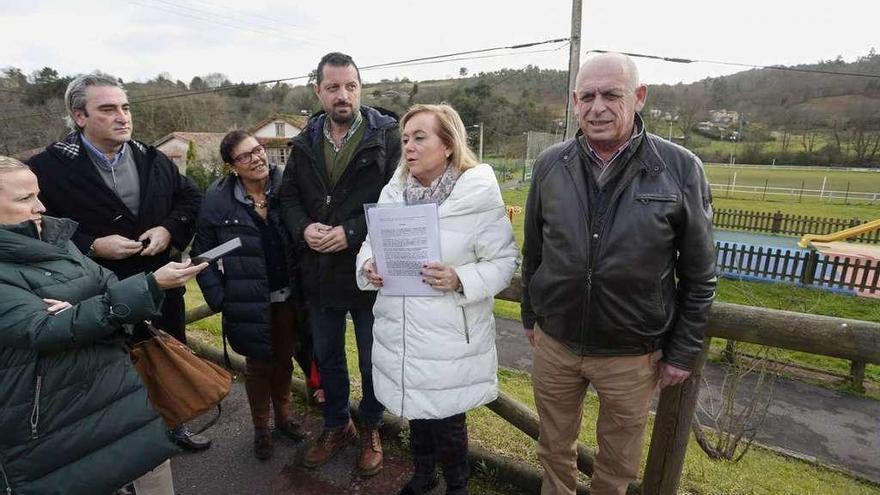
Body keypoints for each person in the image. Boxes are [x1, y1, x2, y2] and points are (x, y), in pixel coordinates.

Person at [520, 53, 717, 495]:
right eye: (587, 96)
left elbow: (701, 276)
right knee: (553, 449)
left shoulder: (681, 168)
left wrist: (682, 353)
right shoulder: (551, 164)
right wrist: (533, 317)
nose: (598, 107)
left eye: (612, 94)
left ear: (639, 97)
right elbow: (534, 252)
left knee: (617, 463)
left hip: (633, 354)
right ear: (574, 102)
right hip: (556, 345)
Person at [0, 156, 207, 495]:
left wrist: (84, 313)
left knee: (153, 474)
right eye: (24, 199)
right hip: (55, 422)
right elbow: (41, 330)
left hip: (118, 392)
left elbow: (107, 284)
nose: (39, 206)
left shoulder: (55, 235)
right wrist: (147, 287)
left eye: (37, 195)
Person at [26, 72, 210, 452]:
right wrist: (91, 245)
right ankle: (120, 449)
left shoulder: (151, 157)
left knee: (167, 359)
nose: (122, 117)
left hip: (160, 286)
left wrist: (168, 230)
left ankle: (173, 427)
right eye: (108, 109)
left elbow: (189, 199)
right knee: (108, 370)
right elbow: (36, 225)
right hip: (95, 293)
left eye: (125, 108)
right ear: (79, 116)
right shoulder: (47, 167)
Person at [356, 103, 518, 495]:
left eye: (419, 137)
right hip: (402, 331)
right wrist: (369, 267)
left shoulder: (476, 196)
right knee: (417, 413)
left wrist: (461, 277)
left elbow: (504, 261)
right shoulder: (394, 192)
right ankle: (423, 477)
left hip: (448, 335)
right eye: (406, 139)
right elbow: (368, 244)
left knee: (448, 419)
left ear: (448, 145)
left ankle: (457, 486)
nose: (408, 146)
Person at [280, 52, 401, 475]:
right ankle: (337, 424)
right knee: (328, 355)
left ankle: (370, 426)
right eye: (333, 87)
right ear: (318, 91)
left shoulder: (388, 137)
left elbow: (396, 201)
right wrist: (303, 229)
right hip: (319, 272)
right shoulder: (303, 141)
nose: (342, 95)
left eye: (350, 86)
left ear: (360, 88)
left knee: (372, 358)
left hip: (369, 271)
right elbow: (288, 199)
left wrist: (351, 232)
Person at [192, 130, 312, 460]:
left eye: (258, 150)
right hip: (247, 301)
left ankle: (284, 420)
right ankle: (262, 429)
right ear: (232, 166)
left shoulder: (287, 187)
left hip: (288, 298)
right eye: (245, 156)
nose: (257, 158)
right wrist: (220, 299)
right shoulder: (218, 200)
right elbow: (201, 255)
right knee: (258, 367)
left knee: (285, 361)